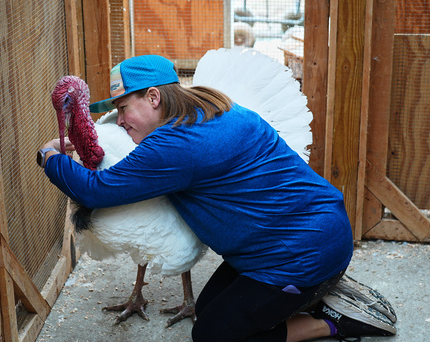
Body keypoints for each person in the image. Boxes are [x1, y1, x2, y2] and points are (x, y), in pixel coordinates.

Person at [39, 55, 395, 341]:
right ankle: (312, 290)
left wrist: (50, 156)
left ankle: (333, 321)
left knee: (211, 336)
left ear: (153, 97)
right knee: (210, 310)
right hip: (298, 236)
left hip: (301, 252)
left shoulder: (175, 146)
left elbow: (94, 191)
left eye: (123, 107)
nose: (119, 120)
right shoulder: (215, 109)